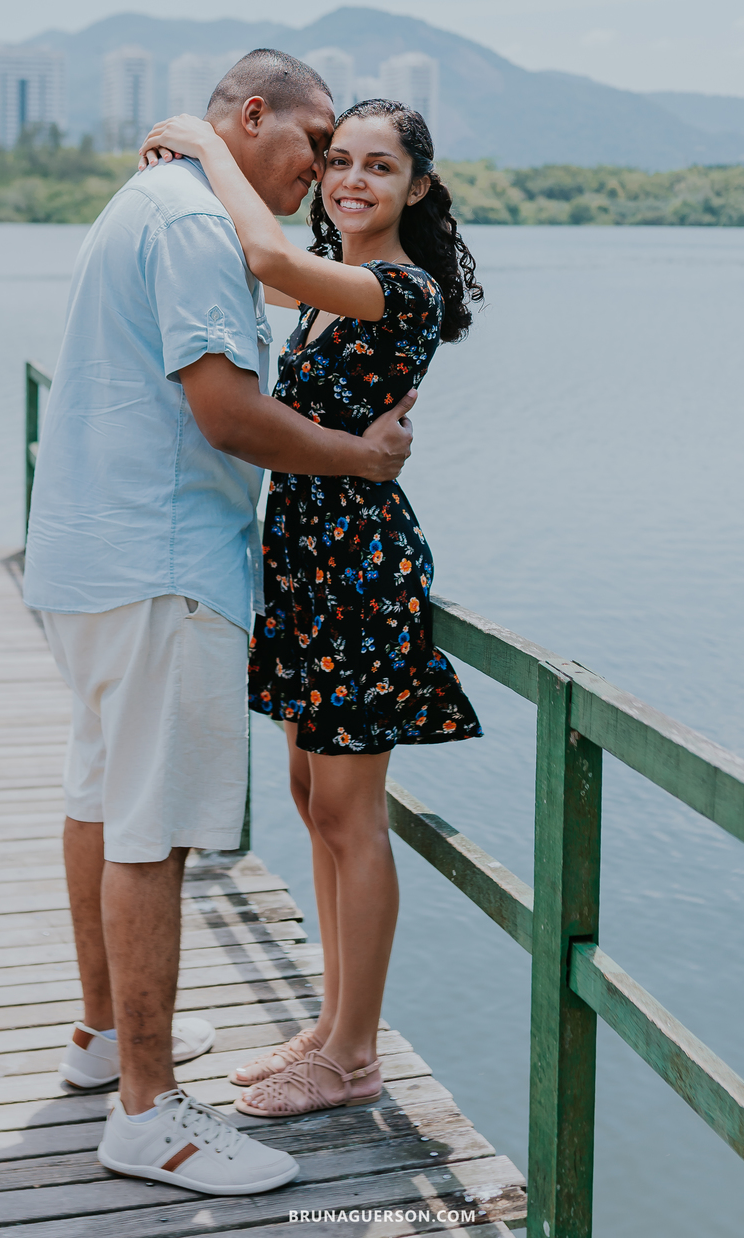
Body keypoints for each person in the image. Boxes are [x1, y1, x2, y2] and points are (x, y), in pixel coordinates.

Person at [22, 52, 419, 1196]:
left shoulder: (146, 199)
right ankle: (152, 1118)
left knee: (101, 798)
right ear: (254, 117)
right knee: (152, 832)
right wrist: (363, 458)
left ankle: (107, 1038)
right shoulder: (196, 220)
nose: (315, 174)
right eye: (313, 146)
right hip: (162, 563)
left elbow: (290, 279)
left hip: (88, 560)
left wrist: (188, 144)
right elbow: (227, 411)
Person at [136, 95, 484, 1120]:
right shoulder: (337, 292)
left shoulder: (397, 286)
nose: (351, 180)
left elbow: (268, 260)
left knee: (349, 811)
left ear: (417, 187)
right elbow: (272, 271)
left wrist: (204, 144)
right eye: (337, 161)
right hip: (304, 557)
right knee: (308, 800)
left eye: (379, 166)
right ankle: (334, 1025)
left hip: (360, 564)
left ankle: (354, 1056)